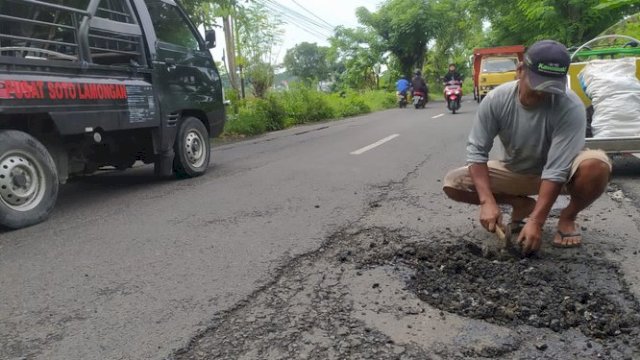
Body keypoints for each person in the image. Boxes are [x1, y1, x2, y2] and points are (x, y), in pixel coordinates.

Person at [442, 40, 611, 255]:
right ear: (520, 71)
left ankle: (567, 217)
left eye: (551, 87)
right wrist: (487, 201)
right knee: (454, 182)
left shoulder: (570, 106)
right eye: (538, 85)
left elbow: (557, 168)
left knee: (596, 165)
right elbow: (477, 152)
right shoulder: (496, 100)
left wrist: (537, 222)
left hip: (561, 175)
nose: (543, 93)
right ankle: (520, 204)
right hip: (515, 171)